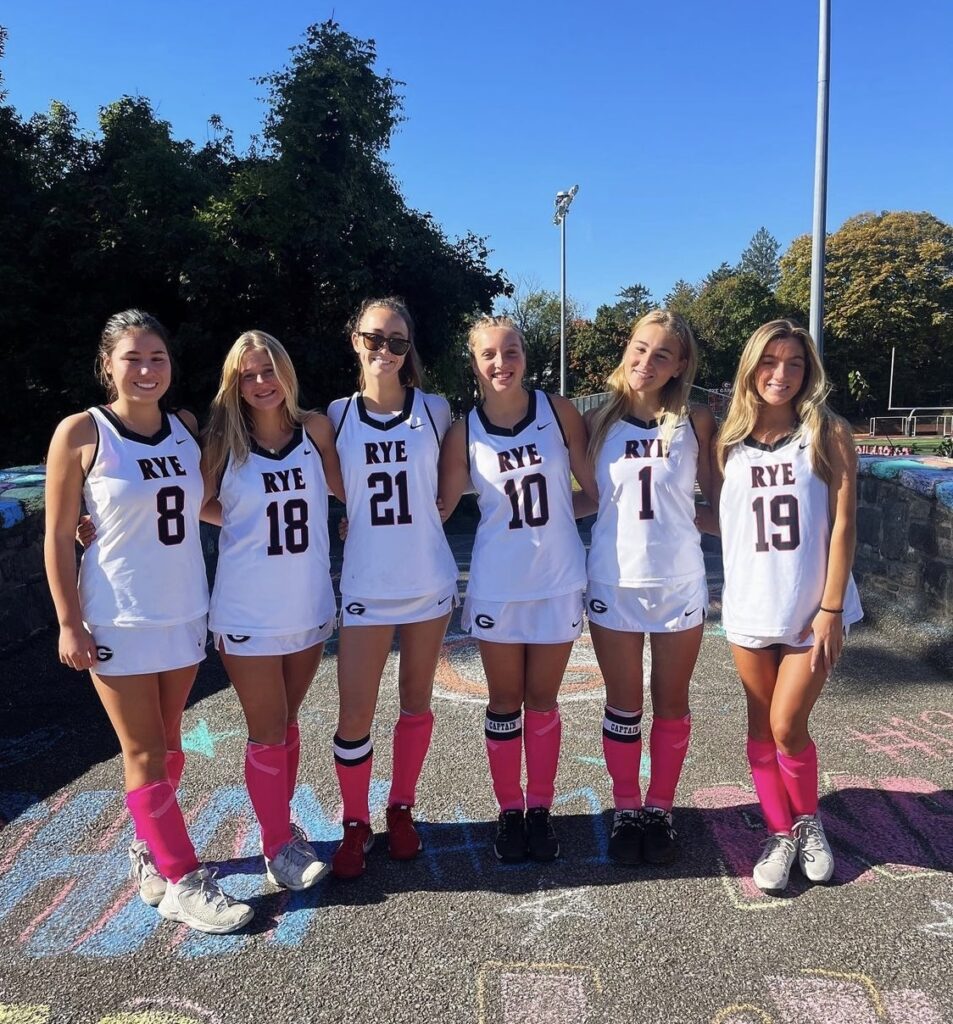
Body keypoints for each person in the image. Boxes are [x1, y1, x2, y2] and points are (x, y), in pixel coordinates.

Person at [44, 309, 252, 934]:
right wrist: (69, 622)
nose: (145, 369)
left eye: (156, 357)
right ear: (108, 363)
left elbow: (205, 508)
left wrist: (273, 518)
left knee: (167, 746)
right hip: (117, 616)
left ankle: (150, 852)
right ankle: (185, 878)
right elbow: (57, 536)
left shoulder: (185, 427)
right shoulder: (82, 432)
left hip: (184, 608)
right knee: (141, 751)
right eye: (132, 358)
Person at [438, 315, 598, 863]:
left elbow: (596, 490)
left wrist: (557, 522)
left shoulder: (559, 412)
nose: (501, 363)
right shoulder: (464, 431)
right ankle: (510, 811)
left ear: (525, 356)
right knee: (505, 701)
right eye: (489, 354)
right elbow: (436, 506)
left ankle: (541, 811)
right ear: (475, 362)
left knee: (544, 700)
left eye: (511, 351)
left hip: (556, 582)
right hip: (498, 585)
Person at [713, 319, 862, 894]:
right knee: (759, 730)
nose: (781, 373)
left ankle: (807, 822)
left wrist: (830, 609)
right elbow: (723, 519)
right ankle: (781, 832)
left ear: (808, 372)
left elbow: (844, 523)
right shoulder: (727, 441)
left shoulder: (827, 432)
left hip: (811, 609)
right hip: (751, 602)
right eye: (770, 361)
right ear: (751, 367)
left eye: (794, 363)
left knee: (786, 724)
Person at [203, 330, 344, 890]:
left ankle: (278, 828)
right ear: (234, 383)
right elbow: (191, 504)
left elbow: (344, 489)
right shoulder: (222, 441)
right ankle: (277, 847)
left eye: (269, 371)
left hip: (308, 603)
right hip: (246, 610)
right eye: (249, 374)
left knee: (286, 724)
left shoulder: (315, 430)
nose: (262, 383)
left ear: (286, 373)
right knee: (265, 731)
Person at [327, 297, 458, 879]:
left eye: (398, 341)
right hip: (365, 583)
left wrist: (437, 512)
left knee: (415, 702)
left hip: (427, 578)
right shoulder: (333, 415)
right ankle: (355, 821)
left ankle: (400, 807)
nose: (385, 350)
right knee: (354, 713)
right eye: (374, 338)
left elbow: (450, 489)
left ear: (410, 351)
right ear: (355, 341)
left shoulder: (436, 409)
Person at [580, 310, 715, 866]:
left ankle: (660, 808)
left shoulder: (698, 420)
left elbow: (722, 503)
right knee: (623, 704)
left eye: (662, 354)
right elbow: (587, 499)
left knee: (671, 701)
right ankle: (626, 806)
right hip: (614, 578)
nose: (646, 362)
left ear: (680, 364)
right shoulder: (594, 421)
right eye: (640, 348)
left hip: (679, 580)